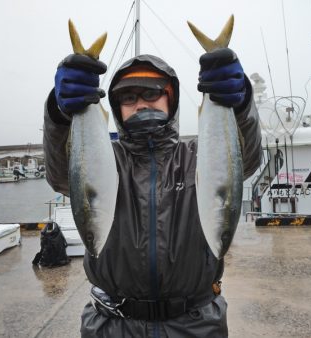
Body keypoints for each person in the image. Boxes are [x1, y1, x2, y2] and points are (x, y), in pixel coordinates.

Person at [43, 47, 262, 337]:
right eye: (129, 98)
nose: (141, 105)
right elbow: (61, 175)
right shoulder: (105, 159)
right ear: (117, 108)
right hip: (111, 325)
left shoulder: (198, 155)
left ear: (171, 100)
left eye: (152, 94)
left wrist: (241, 102)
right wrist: (59, 116)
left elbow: (246, 159)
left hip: (197, 324)